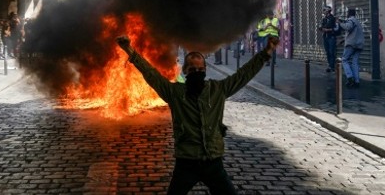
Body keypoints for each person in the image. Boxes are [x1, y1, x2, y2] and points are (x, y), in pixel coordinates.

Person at [116, 34, 280, 195]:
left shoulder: (217, 90)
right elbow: (151, 74)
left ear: (206, 70)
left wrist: (265, 53)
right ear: (185, 71)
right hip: (186, 163)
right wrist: (129, 50)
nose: (197, 72)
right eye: (193, 69)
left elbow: (244, 74)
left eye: (201, 69)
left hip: (213, 163)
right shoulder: (175, 93)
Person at [337, 8, 363, 88]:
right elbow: (352, 32)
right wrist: (342, 40)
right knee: (355, 62)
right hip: (359, 44)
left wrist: (339, 23)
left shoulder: (351, 20)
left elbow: (348, 27)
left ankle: (350, 77)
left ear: (349, 13)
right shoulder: (357, 21)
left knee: (344, 59)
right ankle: (357, 81)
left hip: (351, 44)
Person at [318, 5, 338, 72]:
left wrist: (328, 30)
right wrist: (321, 28)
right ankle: (330, 65)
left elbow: (336, 28)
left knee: (331, 52)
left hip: (331, 37)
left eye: (324, 10)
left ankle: (332, 66)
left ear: (327, 10)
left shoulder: (333, 18)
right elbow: (320, 26)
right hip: (325, 37)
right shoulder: (324, 19)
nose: (323, 11)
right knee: (328, 52)